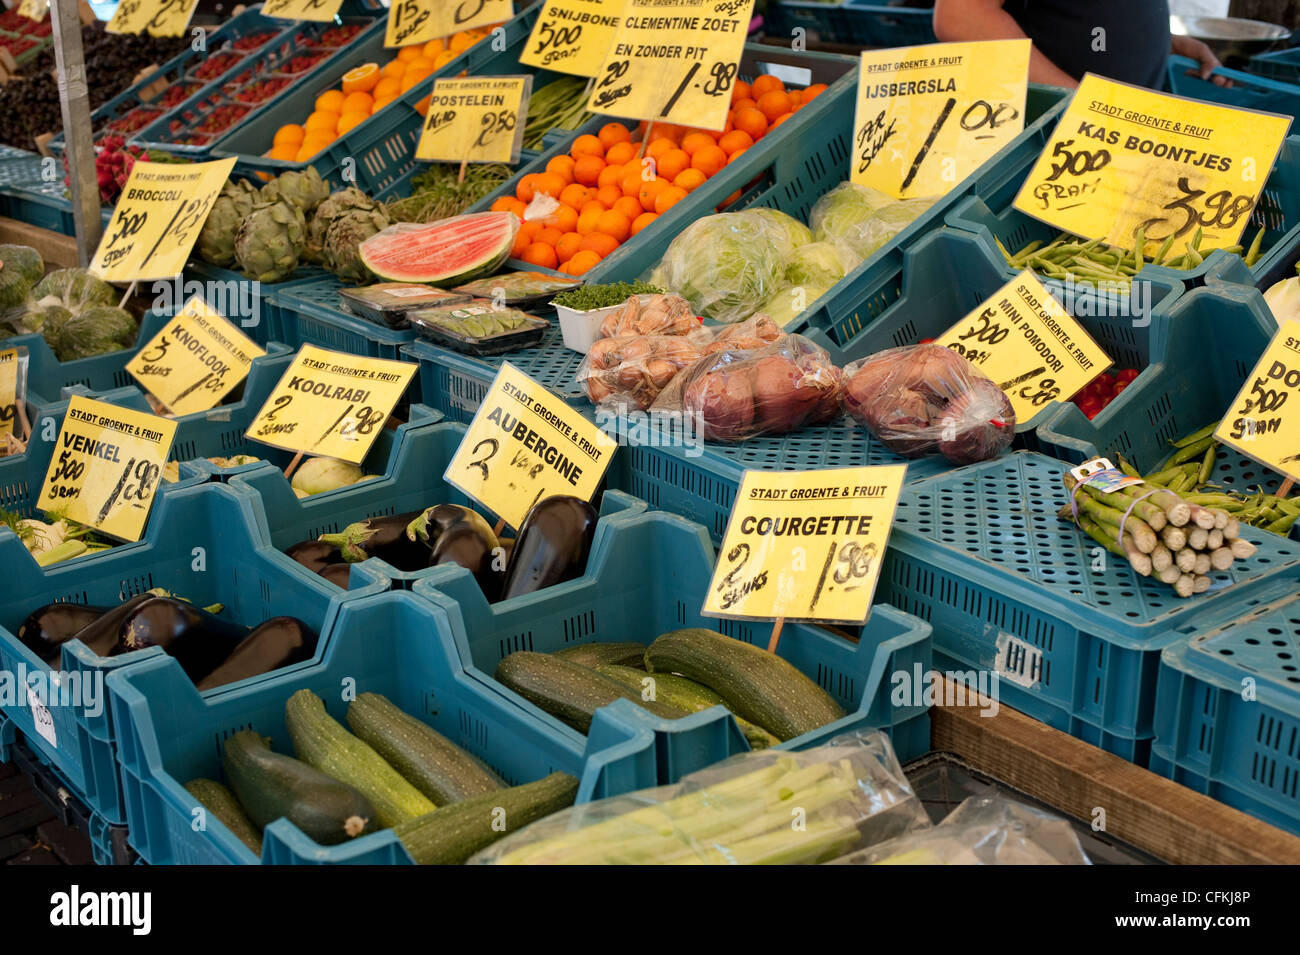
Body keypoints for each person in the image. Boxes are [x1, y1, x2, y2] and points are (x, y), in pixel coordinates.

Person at [932, 0, 1229, 90]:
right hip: (1052, 138)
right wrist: (1081, 103)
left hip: (1122, 129)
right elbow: (961, 17)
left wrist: (1164, 43)